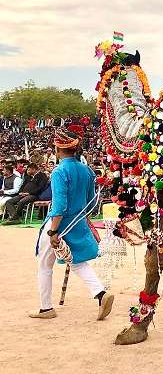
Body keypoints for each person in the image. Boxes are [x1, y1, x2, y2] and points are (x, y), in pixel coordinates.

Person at [29, 126, 115, 319]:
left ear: (58, 150)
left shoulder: (59, 171)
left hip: (59, 224)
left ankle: (46, 308)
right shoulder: (87, 170)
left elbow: (59, 205)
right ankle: (101, 294)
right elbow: (91, 201)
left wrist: (53, 232)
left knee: (45, 265)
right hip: (77, 222)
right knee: (76, 262)